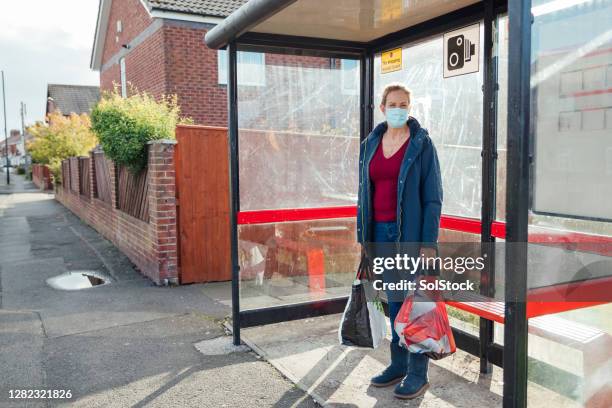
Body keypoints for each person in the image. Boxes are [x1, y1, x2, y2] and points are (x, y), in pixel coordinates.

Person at [356, 83, 443, 399]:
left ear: (409, 106)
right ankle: (399, 364)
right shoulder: (370, 144)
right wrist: (363, 236)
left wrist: (428, 242)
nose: (398, 109)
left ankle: (418, 373)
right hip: (379, 234)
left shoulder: (421, 144)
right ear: (382, 108)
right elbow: (363, 194)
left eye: (403, 104)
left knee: (415, 302)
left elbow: (433, 198)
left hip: (410, 236)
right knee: (394, 303)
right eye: (392, 104)